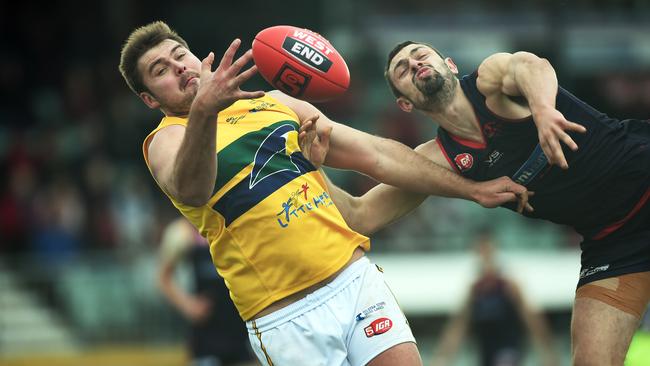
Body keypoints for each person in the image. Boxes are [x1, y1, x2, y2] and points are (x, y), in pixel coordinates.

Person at [118, 21, 529, 366]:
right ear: (149, 98)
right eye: (160, 70)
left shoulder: (273, 101)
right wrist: (205, 110)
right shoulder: (165, 141)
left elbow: (377, 154)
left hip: (354, 281)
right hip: (284, 313)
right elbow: (192, 189)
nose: (178, 67)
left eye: (179, 55)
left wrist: (472, 189)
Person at [299, 41, 650, 365]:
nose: (414, 63)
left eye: (421, 54)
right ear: (405, 104)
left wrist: (543, 111)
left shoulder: (490, 83)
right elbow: (360, 215)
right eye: (402, 70)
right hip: (613, 244)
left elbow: (531, 64)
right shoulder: (435, 162)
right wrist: (313, 168)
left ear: (449, 65)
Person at [430, 230, 558, 366]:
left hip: (509, 350)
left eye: (488, 251)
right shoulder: (475, 289)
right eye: (481, 252)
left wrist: (547, 352)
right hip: (485, 353)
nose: (485, 257)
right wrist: (443, 356)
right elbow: (458, 326)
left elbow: (533, 321)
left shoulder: (509, 286)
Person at [157, 217, 255, 366]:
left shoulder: (231, 220)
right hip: (206, 329)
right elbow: (164, 278)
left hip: (239, 323)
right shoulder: (181, 233)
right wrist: (188, 305)